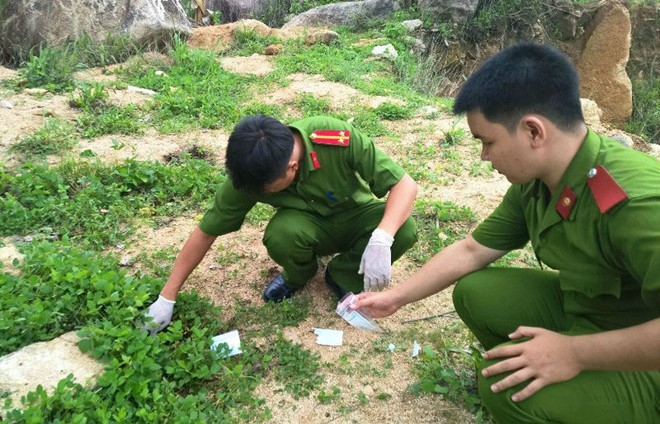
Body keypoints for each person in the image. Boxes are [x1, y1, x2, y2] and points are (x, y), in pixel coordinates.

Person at [352, 42, 660, 423]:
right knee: (477, 292)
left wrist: (574, 354)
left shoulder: (636, 203)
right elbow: (471, 251)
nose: (485, 157)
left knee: (507, 394)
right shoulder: (539, 182)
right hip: (593, 313)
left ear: (534, 131)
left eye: (488, 141)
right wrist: (396, 297)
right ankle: (545, 376)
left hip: (646, 362)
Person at [143, 115, 418, 335]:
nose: (264, 193)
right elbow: (206, 231)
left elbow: (404, 185)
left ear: (292, 167)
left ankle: (341, 276)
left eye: (268, 190)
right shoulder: (253, 172)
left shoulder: (334, 137)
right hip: (308, 227)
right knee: (281, 235)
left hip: (357, 217)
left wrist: (382, 237)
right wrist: (167, 297)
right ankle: (298, 276)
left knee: (404, 229)